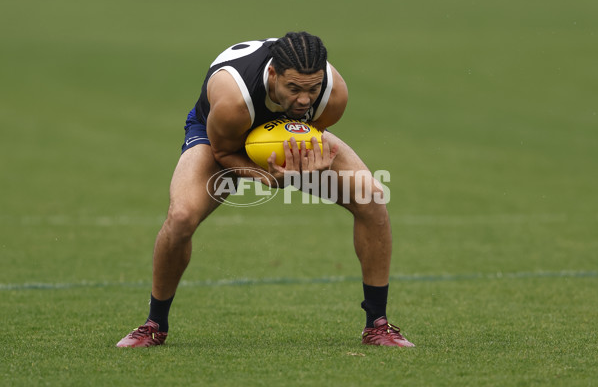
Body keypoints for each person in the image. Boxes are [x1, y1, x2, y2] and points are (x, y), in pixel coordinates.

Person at [116, 32, 414, 348]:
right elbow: (223, 153)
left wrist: (304, 164)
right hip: (221, 137)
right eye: (294, 88)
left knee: (371, 196)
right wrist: (267, 177)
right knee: (181, 217)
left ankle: (378, 326)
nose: (304, 100)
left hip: (280, 133)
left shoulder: (333, 94)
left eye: (312, 89)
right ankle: (153, 325)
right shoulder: (233, 99)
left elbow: (311, 131)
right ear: (273, 74)